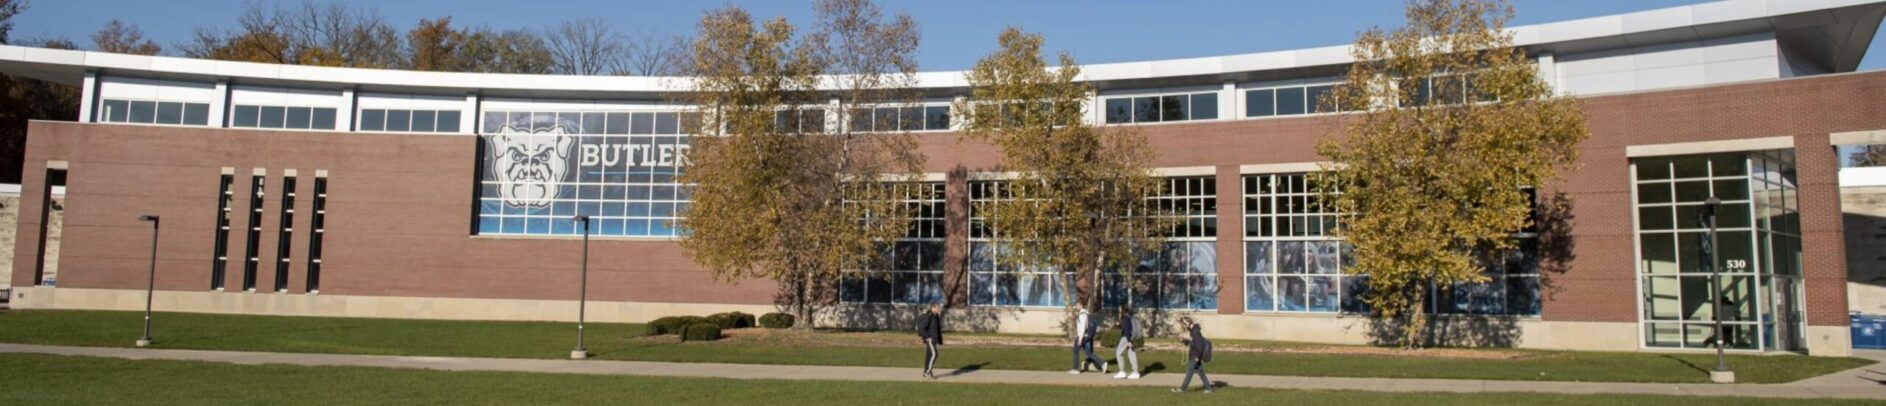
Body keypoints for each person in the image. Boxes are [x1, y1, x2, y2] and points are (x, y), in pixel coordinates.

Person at [1173, 321, 1213, 394]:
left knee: (1189, 373)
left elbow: (1199, 346)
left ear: (1189, 323)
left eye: (1185, 324)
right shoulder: (1194, 331)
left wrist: (1197, 357)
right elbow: (1193, 344)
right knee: (1201, 373)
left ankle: (1182, 389)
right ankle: (1209, 389)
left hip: (1194, 357)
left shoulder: (1195, 332)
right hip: (1195, 357)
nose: (1184, 326)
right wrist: (1183, 341)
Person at [1068, 305, 1106, 374]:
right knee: (1089, 353)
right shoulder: (1087, 314)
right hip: (1087, 336)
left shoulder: (1082, 315)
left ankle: (1075, 369)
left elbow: (1082, 328)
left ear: (1080, 305)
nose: (1076, 307)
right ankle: (1102, 363)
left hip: (1082, 336)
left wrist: (1080, 339)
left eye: (1077, 305)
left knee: (1075, 351)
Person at [1112, 305, 1141, 379]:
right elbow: (1126, 327)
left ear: (1123, 310)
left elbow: (1127, 329)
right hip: (1131, 337)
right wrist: (1118, 326)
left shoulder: (1125, 317)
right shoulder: (1129, 317)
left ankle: (1122, 372)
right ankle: (1135, 372)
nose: (1119, 310)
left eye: (1120, 309)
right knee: (1131, 353)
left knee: (1118, 352)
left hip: (1126, 337)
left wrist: (1128, 341)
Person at [918, 304, 944, 379]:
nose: (939, 308)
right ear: (933, 308)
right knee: (934, 354)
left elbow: (937, 329)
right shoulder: (929, 316)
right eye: (937, 307)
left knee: (929, 356)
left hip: (934, 339)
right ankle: (927, 372)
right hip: (930, 339)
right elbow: (921, 328)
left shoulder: (936, 317)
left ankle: (926, 372)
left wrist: (940, 340)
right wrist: (927, 336)